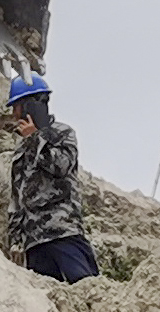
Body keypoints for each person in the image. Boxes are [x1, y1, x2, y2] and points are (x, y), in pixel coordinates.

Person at [6, 74, 100, 283]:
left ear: (31, 105)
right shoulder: (20, 150)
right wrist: (15, 241)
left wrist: (35, 138)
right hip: (34, 244)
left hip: (62, 232)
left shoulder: (62, 134)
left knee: (86, 288)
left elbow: (60, 166)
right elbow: (17, 198)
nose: (14, 114)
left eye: (17, 107)